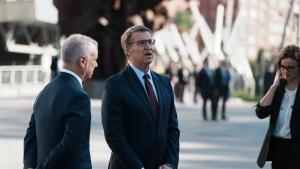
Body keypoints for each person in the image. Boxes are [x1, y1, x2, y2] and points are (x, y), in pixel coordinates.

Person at [101, 25, 180, 169]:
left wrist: (171, 163)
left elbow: (172, 129)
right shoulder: (115, 85)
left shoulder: (164, 82)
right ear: (127, 49)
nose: (148, 47)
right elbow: (114, 135)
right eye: (141, 43)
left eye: (150, 42)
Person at [23, 34, 98, 169]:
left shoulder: (44, 91)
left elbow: (30, 137)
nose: (96, 64)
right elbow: (70, 145)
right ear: (82, 61)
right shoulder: (80, 97)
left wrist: (29, 166)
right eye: (94, 59)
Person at [256, 45, 300, 169]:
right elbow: (261, 113)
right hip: (278, 150)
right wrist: (274, 86)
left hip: (296, 148)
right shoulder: (278, 90)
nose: (286, 71)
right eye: (283, 67)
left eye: (291, 68)